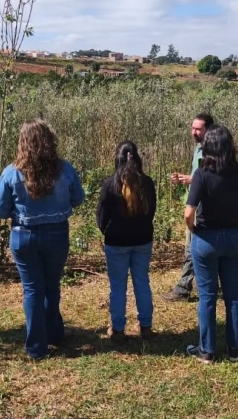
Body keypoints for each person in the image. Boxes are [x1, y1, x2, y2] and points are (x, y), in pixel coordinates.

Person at [0, 119, 85, 360]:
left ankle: (36, 347)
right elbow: (78, 198)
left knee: (32, 289)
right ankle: (54, 333)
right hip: (56, 233)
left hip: (23, 236)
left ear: (23, 143)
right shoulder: (65, 169)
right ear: (50, 141)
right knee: (51, 286)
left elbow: (0, 210)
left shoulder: (11, 172)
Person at [184, 124, 238, 363]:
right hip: (233, 235)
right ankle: (235, 350)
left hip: (206, 237)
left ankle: (207, 350)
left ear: (208, 147)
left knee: (207, 296)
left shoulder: (202, 173)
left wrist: (194, 231)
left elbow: (188, 212)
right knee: (233, 295)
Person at [96, 141, 157, 341]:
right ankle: (146, 327)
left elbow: (101, 216)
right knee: (142, 282)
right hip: (142, 240)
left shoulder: (110, 184)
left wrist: (107, 231)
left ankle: (118, 329)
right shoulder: (147, 183)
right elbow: (151, 212)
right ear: (137, 158)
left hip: (116, 242)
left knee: (118, 286)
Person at [162, 113, 214, 302]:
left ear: (209, 129)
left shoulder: (212, 151)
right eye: (192, 128)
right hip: (196, 201)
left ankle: (183, 288)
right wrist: (186, 179)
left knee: (192, 247)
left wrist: (192, 180)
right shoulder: (198, 149)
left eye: (198, 129)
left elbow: (210, 179)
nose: (194, 132)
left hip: (201, 206)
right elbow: (200, 176)